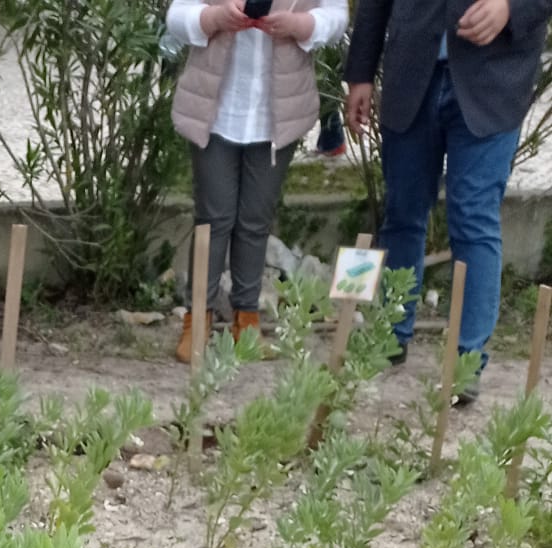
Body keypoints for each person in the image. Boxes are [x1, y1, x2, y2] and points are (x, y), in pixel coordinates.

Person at [345, 0, 552, 379]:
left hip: (494, 79)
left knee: (473, 218)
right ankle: (389, 335)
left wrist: (510, 8)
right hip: (410, 71)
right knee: (402, 213)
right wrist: (360, 73)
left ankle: (466, 362)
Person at [166, 0, 348, 362]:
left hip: (277, 114)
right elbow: (176, 16)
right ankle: (196, 323)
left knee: (255, 219)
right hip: (214, 110)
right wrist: (214, 18)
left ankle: (246, 325)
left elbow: (338, 16)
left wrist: (301, 25)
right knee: (213, 218)